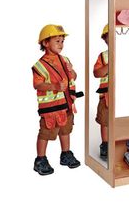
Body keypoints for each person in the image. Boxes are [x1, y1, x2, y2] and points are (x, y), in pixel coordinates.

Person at [32, 24, 82, 175]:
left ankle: (65, 154)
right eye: (57, 41)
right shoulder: (40, 65)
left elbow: (73, 76)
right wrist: (54, 85)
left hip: (66, 105)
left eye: (62, 41)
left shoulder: (65, 60)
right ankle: (40, 159)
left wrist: (73, 72)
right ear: (45, 43)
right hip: (51, 109)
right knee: (46, 133)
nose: (61, 44)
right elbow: (37, 84)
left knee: (66, 130)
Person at [93, 24, 109, 161]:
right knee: (105, 121)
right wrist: (108, 66)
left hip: (122, 96)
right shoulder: (103, 56)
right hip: (106, 96)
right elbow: (96, 73)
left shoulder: (128, 51)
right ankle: (105, 145)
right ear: (105, 39)